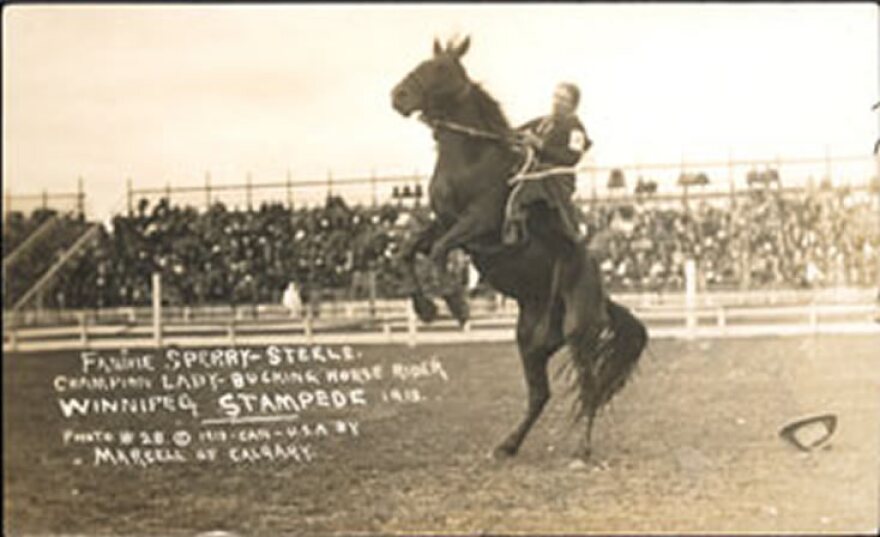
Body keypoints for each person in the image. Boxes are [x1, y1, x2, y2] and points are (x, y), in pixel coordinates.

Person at [503, 82, 592, 256]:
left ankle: (570, 233)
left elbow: (571, 157)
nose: (557, 102)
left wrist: (539, 145)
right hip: (533, 171)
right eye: (556, 97)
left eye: (563, 99)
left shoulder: (575, 128)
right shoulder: (544, 121)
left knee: (526, 190)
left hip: (556, 176)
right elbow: (516, 132)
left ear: (573, 104)